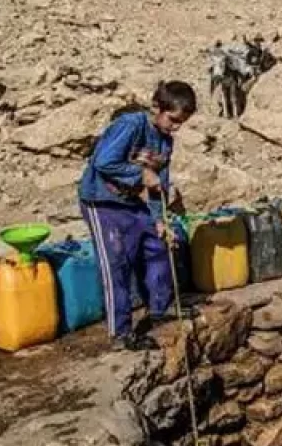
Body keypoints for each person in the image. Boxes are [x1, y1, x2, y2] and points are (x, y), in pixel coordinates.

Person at [78, 81, 195, 351]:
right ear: (156, 107)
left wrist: (159, 218)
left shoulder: (165, 140)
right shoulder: (131, 125)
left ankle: (160, 307)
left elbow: (159, 182)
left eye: (182, 123)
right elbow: (104, 162)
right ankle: (121, 332)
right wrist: (140, 175)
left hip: (131, 200)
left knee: (158, 244)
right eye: (173, 119)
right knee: (116, 262)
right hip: (102, 201)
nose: (176, 127)